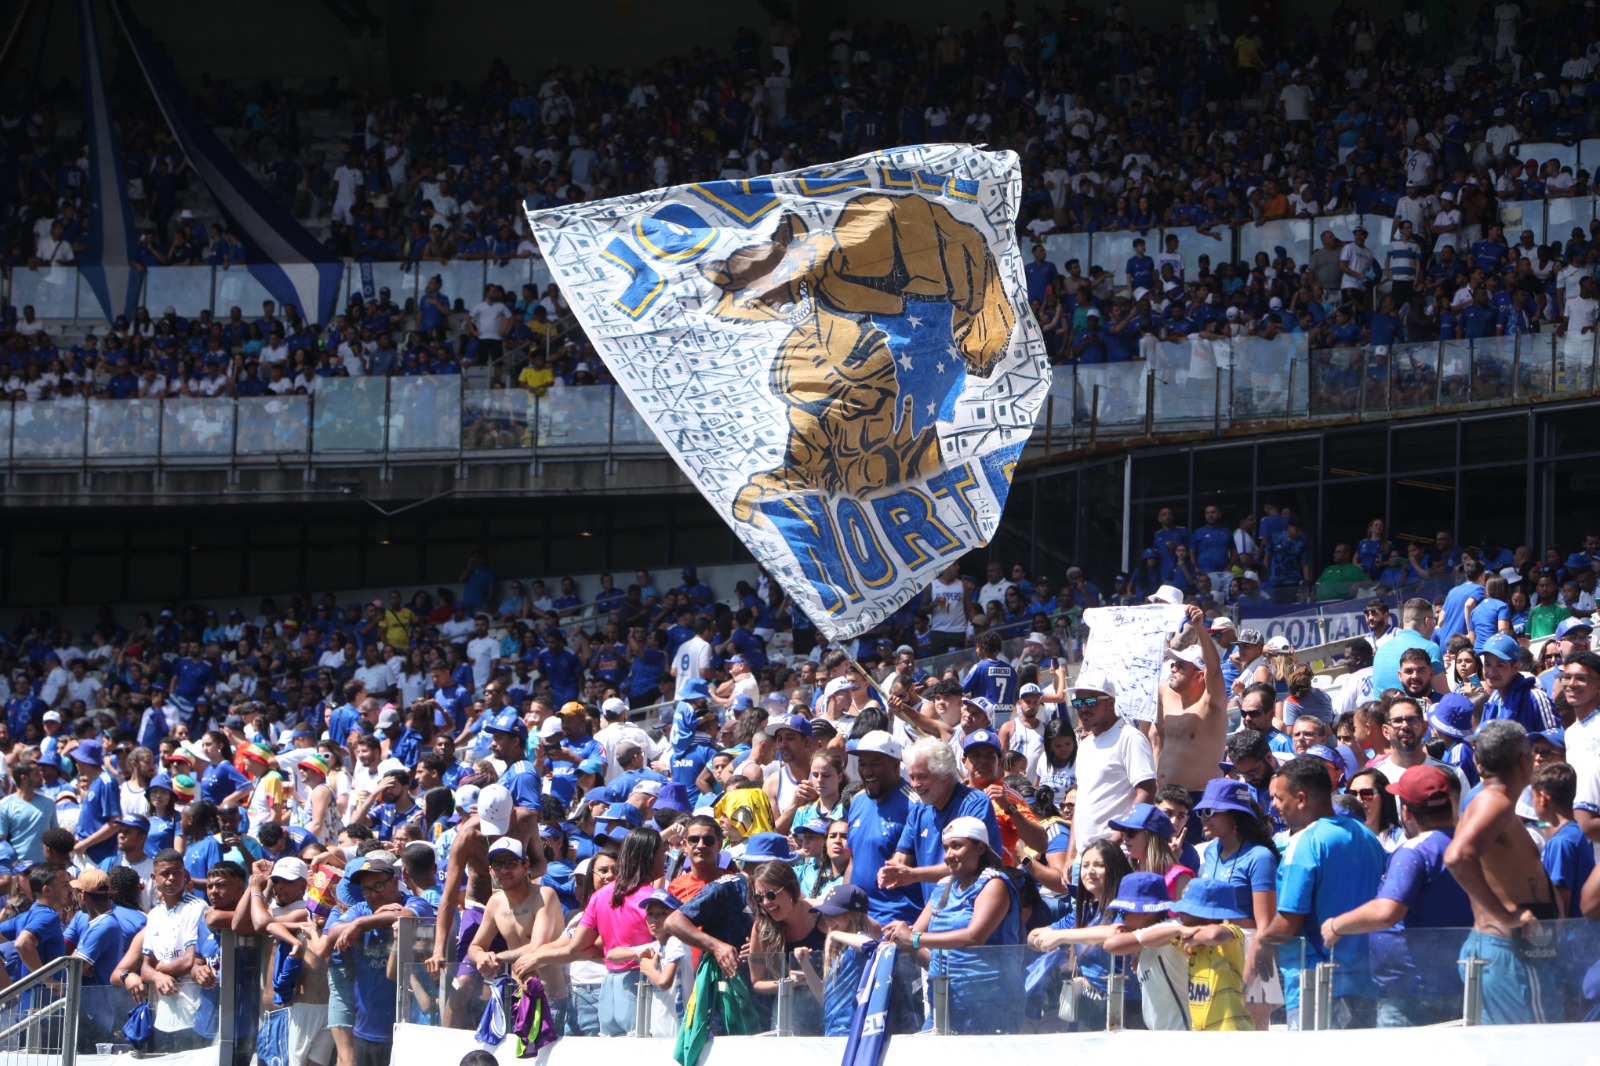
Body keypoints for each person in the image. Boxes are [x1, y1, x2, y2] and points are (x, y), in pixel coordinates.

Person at [1322, 765, 1474, 1027]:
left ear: (1406, 810)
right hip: (1456, 985)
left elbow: (1387, 912)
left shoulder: (1415, 851)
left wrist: (1336, 925)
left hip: (1412, 995)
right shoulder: (1470, 845)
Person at [1445, 720, 1559, 1024]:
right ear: (1523, 760)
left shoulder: (1494, 803)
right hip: (1510, 951)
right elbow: (1457, 857)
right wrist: (1506, 915)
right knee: (1535, 1050)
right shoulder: (1493, 802)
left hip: (1509, 951)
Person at [1261, 756, 1386, 1029]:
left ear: (1301, 798)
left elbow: (1288, 925)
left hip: (1315, 986)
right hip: (1364, 981)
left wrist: (1254, 943)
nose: (1275, 805)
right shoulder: (1367, 837)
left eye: (1280, 798)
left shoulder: (1305, 841)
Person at [515, 827, 663, 1036]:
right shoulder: (654, 900)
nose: (664, 858)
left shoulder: (601, 896)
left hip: (610, 987)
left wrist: (611, 953)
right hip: (642, 986)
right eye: (661, 853)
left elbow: (576, 949)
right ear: (651, 856)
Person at [881, 815, 1021, 1035]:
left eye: (957, 846)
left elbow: (974, 937)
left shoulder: (994, 883)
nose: (949, 855)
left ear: (980, 848)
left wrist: (914, 939)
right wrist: (892, 935)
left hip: (988, 1004)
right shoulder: (943, 886)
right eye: (946, 848)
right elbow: (912, 935)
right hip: (944, 1000)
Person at [317, 851, 436, 1066]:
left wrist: (361, 924)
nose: (373, 894)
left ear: (394, 881)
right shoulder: (361, 909)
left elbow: (407, 917)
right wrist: (368, 919)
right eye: (367, 890)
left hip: (407, 1024)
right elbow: (333, 933)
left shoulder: (415, 902)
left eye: (379, 886)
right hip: (366, 1027)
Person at [878, 739, 1001, 907]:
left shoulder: (975, 803)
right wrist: (891, 871)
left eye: (922, 777)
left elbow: (965, 865)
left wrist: (913, 875)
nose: (914, 785)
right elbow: (901, 857)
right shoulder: (919, 810)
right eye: (912, 777)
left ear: (947, 776)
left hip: (969, 910)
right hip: (934, 912)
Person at [1154, 606, 1228, 844]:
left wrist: (1200, 630)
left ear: (1199, 676)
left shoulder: (1211, 705)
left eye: (1180, 666)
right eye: (1173, 665)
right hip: (1164, 800)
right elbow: (1150, 666)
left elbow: (1215, 670)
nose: (1172, 669)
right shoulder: (1166, 694)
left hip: (1196, 801)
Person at [1069, 671, 1156, 856]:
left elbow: (1147, 791)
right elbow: (1081, 802)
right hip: (1084, 858)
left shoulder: (1129, 738)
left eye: (1091, 701)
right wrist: (1070, 856)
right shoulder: (1084, 745)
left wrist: (1117, 839)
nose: (1083, 708)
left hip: (1117, 854)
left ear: (1110, 702)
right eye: (1078, 703)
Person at [141, 849, 208, 1051]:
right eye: (165, 873)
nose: (171, 878)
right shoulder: (154, 914)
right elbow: (145, 968)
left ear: (185, 874)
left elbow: (189, 961)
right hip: (162, 1012)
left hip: (191, 1010)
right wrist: (156, 976)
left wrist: (157, 972)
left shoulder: (197, 907)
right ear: (154, 878)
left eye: (177, 872)